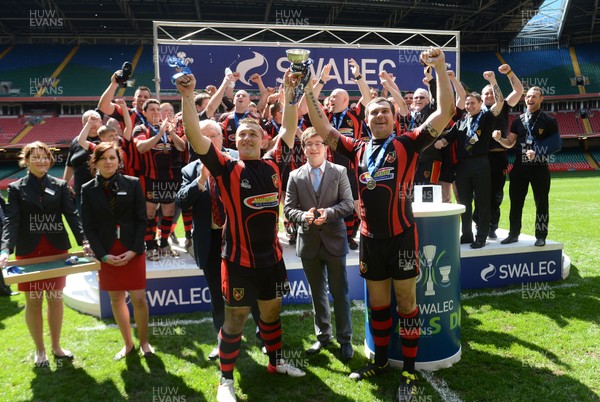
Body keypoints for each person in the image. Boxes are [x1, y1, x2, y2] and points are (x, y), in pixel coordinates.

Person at [305, 47, 454, 400]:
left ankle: (412, 373)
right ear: (367, 118)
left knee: (405, 302)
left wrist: (442, 67)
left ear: (394, 117)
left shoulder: (408, 142)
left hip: (402, 236)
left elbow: (445, 111)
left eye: (386, 111)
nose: (380, 116)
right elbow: (322, 127)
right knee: (377, 304)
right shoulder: (356, 148)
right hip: (370, 238)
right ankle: (383, 362)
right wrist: (310, 93)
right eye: (374, 112)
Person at [177, 69, 305, 402]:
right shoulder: (226, 168)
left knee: (272, 313)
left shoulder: (277, 163)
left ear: (264, 140)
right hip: (237, 262)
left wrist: (290, 91)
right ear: (234, 141)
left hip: (273, 260)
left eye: (254, 134)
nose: (247, 138)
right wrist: (188, 98)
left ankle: (276, 362)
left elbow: (289, 126)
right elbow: (195, 136)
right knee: (234, 321)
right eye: (242, 135)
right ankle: (226, 381)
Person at [0, 142, 90, 366]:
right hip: (29, 252)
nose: (41, 161)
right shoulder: (16, 188)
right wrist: (5, 249)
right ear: (26, 160)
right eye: (35, 157)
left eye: (44, 157)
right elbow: (11, 222)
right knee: (34, 301)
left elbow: (72, 216)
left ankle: (57, 347)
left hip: (55, 250)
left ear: (51, 160)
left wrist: (84, 241)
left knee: (55, 299)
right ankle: (40, 350)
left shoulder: (60, 185)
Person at [283, 127, 355, 360]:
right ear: (303, 148)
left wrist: (330, 212)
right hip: (309, 243)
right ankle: (323, 337)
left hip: (334, 241)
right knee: (317, 294)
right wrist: (303, 216)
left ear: (325, 147)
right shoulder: (295, 175)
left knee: (340, 292)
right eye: (308, 144)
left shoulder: (340, 171)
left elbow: (348, 204)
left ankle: (345, 340)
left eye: (318, 143)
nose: (313, 148)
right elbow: (288, 209)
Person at [80, 142, 153, 360]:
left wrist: (134, 250)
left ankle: (144, 342)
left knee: (139, 298)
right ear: (95, 163)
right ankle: (127, 344)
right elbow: (89, 227)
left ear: (119, 161)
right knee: (116, 299)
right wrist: (102, 255)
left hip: (132, 250)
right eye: (104, 158)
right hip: (107, 252)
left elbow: (142, 220)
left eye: (113, 157)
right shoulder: (87, 189)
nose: (109, 162)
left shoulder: (132, 183)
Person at [434, 71, 505, 249]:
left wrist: (493, 80)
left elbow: (500, 102)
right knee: (463, 203)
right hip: (463, 166)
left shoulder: (487, 117)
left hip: (481, 164)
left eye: (472, 103)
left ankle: (481, 236)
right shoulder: (462, 122)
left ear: (480, 104)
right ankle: (466, 235)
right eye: (466, 103)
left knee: (482, 202)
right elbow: (449, 137)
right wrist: (441, 142)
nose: (469, 106)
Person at [494, 86, 560, 247]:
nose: (530, 99)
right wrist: (499, 140)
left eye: (534, 97)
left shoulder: (549, 120)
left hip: (539, 167)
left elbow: (556, 144)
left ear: (541, 99)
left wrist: (537, 153)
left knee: (542, 203)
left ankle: (541, 235)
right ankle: (513, 234)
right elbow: (509, 143)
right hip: (519, 167)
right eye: (528, 96)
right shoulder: (518, 121)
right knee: (516, 202)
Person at [477, 64, 524, 239]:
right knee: (480, 193)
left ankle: (492, 226)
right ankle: (479, 223)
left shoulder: (503, 105)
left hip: (498, 155)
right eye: (486, 93)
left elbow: (518, 90)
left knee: (496, 193)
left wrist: (509, 73)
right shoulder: (476, 111)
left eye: (491, 92)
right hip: (480, 157)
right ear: (481, 98)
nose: (489, 95)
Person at [63, 109, 102, 212]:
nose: (92, 123)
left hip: (102, 191)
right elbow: (70, 164)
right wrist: (65, 184)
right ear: (83, 124)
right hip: (80, 192)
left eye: (95, 119)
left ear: (101, 122)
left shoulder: (106, 139)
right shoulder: (76, 141)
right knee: (84, 225)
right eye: (88, 120)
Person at [0, 196, 18, 297]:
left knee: (2, 259)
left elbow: (5, 206)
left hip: (2, 228)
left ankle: (4, 288)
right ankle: (4, 289)